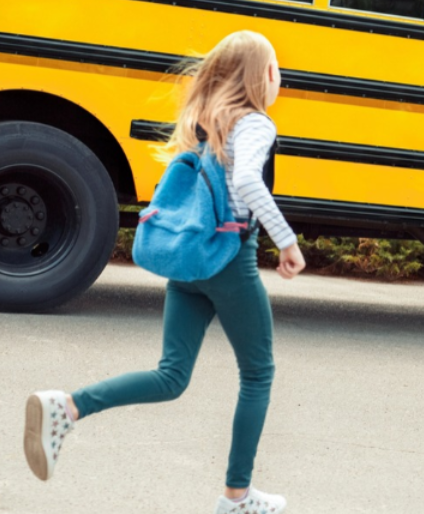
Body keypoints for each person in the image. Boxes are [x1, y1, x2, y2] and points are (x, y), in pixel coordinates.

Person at [22, 31, 307, 514]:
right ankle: (237, 496)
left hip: (190, 260)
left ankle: (68, 407)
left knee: (171, 375)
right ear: (261, 77)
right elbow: (245, 183)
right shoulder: (256, 123)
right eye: (276, 68)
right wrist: (288, 240)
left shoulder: (204, 124)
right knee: (258, 374)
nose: (280, 77)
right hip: (229, 259)